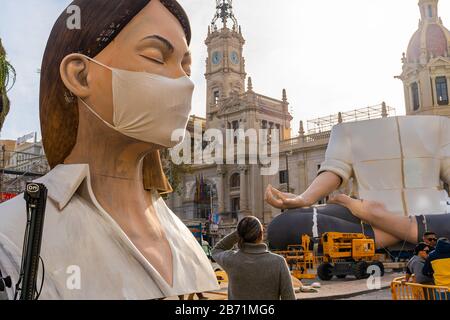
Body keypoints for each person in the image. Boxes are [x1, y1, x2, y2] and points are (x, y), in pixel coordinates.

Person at [0, 0, 219, 299]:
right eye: (156, 56)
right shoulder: (12, 238)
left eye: (185, 67)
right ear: (79, 75)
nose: (184, 83)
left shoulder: (186, 241)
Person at [265, 116, 450, 250]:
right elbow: (334, 169)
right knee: (283, 226)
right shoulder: (346, 131)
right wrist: (304, 198)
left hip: (424, 213)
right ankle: (407, 232)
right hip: (365, 216)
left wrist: (375, 216)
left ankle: (389, 231)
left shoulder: (441, 128)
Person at [211, 216, 295, 300]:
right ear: (261, 234)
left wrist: (239, 233)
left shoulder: (231, 259)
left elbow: (216, 250)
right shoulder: (278, 262)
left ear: (239, 235)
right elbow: (289, 297)